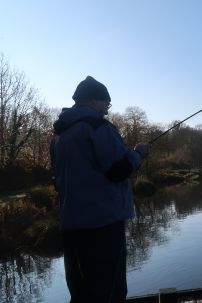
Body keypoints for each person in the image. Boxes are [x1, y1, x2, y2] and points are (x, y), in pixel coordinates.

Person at [50, 76, 150, 303]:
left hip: (71, 225)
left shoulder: (59, 135)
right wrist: (138, 153)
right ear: (94, 101)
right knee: (110, 292)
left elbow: (57, 179)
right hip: (103, 225)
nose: (107, 109)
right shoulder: (98, 127)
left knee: (81, 293)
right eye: (106, 103)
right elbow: (117, 171)